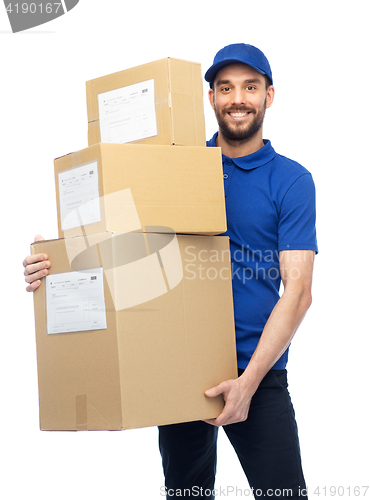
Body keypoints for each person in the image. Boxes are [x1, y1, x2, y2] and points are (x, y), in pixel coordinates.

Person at [23, 44, 317, 499]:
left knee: (284, 494)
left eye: (250, 87)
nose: (237, 98)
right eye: (225, 88)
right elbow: (113, 242)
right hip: (180, 365)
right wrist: (55, 260)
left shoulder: (291, 180)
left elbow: (297, 291)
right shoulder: (173, 168)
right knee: (185, 494)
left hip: (256, 371)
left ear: (269, 96)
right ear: (211, 99)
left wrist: (248, 384)